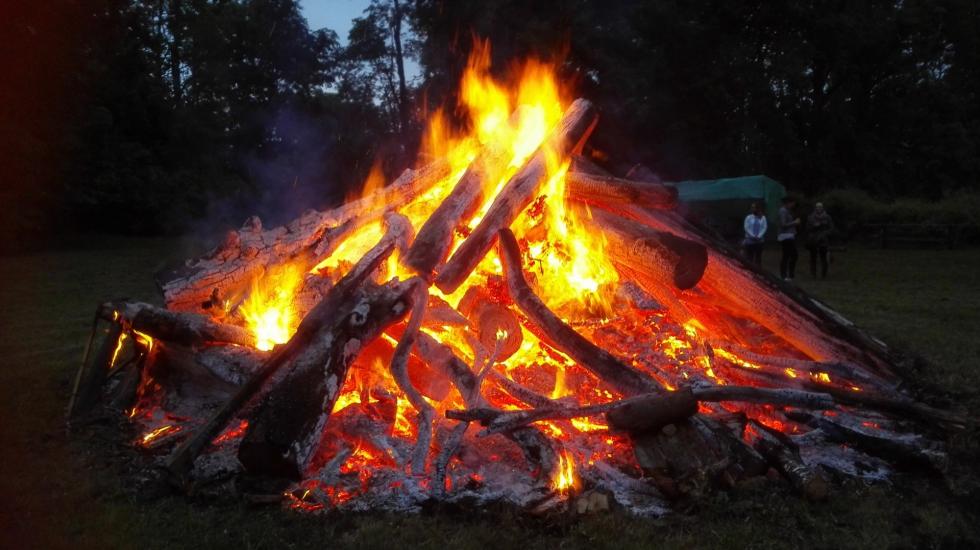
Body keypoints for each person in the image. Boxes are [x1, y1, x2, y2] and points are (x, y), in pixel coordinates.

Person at [807, 202, 834, 279]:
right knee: (813, 257)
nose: (819, 208)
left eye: (820, 207)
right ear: (815, 208)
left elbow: (831, 228)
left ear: (823, 208)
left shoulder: (827, 217)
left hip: (823, 239)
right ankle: (813, 274)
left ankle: (823, 275)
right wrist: (814, 226)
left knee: (824, 257)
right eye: (817, 207)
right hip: (813, 239)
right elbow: (807, 228)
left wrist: (825, 233)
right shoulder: (811, 217)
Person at [777, 197, 800, 281]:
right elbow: (783, 224)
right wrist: (794, 222)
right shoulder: (783, 211)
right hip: (785, 236)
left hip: (789, 235)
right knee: (788, 255)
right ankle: (784, 275)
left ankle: (790, 275)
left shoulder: (787, 211)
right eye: (792, 203)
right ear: (788, 203)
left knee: (792, 255)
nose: (793, 205)